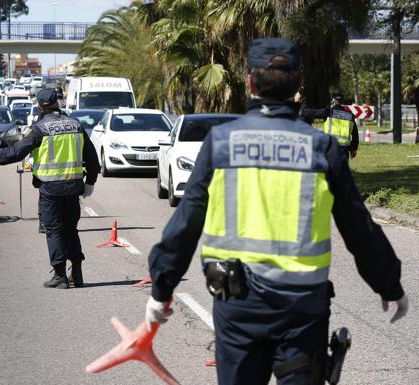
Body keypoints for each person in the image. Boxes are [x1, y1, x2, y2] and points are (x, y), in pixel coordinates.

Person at [144, 38, 408, 385]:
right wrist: (388, 284)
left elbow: (186, 222)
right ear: (299, 85)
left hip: (237, 305)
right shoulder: (322, 148)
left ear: (250, 83)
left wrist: (162, 290)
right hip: (302, 309)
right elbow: (359, 227)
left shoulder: (222, 142)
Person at [0, 88, 100, 289]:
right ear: (58, 103)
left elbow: (16, 152)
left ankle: (60, 275)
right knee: (71, 230)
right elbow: (92, 158)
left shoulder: (40, 128)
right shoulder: (75, 125)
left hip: (51, 189)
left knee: (54, 230)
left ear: (39, 105)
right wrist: (91, 182)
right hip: (73, 187)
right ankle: (77, 274)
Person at [298, 92, 359, 159]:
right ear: (342, 101)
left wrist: (306, 100)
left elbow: (305, 113)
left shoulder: (327, 112)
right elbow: (355, 134)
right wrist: (354, 149)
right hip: (344, 150)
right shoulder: (350, 115)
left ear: (333, 101)